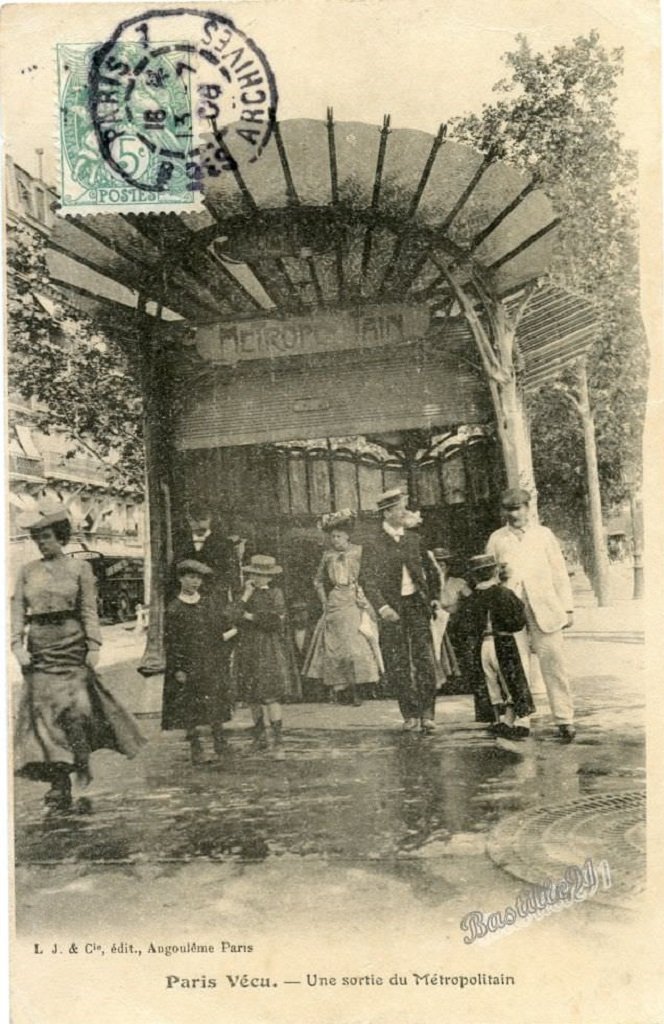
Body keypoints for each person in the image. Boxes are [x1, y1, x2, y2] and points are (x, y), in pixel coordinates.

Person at [11, 503, 145, 812]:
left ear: (60, 536)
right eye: (36, 538)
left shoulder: (79, 568)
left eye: (46, 537)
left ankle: (78, 762)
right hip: (40, 649)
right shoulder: (26, 571)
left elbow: (88, 609)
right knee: (46, 716)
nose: (41, 543)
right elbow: (17, 611)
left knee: (76, 712)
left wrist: (94, 646)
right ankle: (58, 783)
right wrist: (17, 647)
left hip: (73, 646)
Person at [486, 487, 576, 742]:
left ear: (528, 508)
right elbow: (487, 574)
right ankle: (522, 719)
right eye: (508, 509)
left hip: (545, 607)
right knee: (516, 664)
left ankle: (564, 718)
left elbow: (559, 572)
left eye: (518, 508)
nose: (513, 515)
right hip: (510, 609)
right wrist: (498, 576)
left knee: (554, 662)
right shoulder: (497, 539)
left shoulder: (544, 536)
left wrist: (567, 607)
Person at [360, 489, 439, 733]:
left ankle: (427, 712)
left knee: (424, 659)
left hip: (416, 604)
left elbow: (432, 569)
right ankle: (410, 713)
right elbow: (367, 579)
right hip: (392, 609)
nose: (405, 512)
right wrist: (382, 607)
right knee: (398, 661)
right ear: (388, 512)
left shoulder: (414, 538)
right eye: (400, 508)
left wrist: (434, 597)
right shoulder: (373, 542)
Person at [303, 510, 382, 706]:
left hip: (355, 599)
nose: (335, 539)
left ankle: (358, 688)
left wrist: (363, 595)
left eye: (338, 536)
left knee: (356, 644)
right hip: (335, 601)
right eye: (332, 536)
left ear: (347, 536)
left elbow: (370, 576)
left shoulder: (359, 551)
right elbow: (318, 580)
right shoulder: (327, 555)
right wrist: (324, 601)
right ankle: (340, 689)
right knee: (335, 647)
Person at [162, 559, 237, 764]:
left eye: (198, 578)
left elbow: (218, 629)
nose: (195, 582)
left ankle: (220, 743)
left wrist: (228, 636)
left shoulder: (207, 603)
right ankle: (196, 748)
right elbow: (172, 641)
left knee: (214, 700)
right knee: (190, 705)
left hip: (210, 660)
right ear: (181, 579)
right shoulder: (174, 609)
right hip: (188, 663)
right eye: (191, 577)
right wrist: (178, 668)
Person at [457, 554, 535, 739]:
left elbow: (463, 626)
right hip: (503, 641)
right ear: (495, 571)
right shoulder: (504, 593)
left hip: (482, 644)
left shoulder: (471, 598)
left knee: (492, 683)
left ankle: (499, 720)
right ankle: (517, 722)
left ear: (474, 576)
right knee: (511, 681)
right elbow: (518, 621)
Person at [234, 555, 295, 759]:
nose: (258, 578)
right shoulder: (244, 593)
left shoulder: (276, 594)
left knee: (270, 694)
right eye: (254, 574)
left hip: (268, 647)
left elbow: (276, 621)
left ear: (270, 577)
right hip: (248, 646)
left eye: (263, 575)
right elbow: (232, 615)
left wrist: (250, 616)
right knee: (252, 695)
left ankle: (278, 742)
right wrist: (246, 595)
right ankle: (259, 738)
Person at [427, 546, 471, 689]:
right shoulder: (427, 584)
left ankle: (458, 680)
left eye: (443, 564)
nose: (440, 567)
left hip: (454, 624)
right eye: (436, 564)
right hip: (435, 624)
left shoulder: (458, 583)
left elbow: (471, 601)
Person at [175, 501, 237, 600]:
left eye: (205, 519)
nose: (202, 524)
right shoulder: (180, 541)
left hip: (214, 599)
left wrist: (208, 570)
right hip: (186, 599)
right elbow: (174, 569)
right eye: (197, 520)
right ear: (189, 520)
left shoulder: (224, 544)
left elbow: (232, 576)